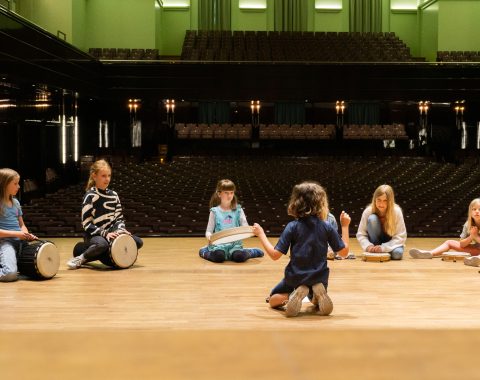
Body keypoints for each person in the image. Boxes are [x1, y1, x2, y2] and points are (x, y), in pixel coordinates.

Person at [252, 181, 350, 318]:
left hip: (295, 276)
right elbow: (344, 253)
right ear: (321, 204)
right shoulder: (326, 226)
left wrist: (261, 234)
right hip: (319, 277)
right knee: (315, 302)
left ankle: (292, 295)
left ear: (296, 203)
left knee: (272, 300)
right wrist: (345, 226)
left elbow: (275, 255)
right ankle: (315, 297)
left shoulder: (292, 227)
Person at [67, 159, 143, 269]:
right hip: (95, 235)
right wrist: (105, 233)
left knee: (137, 242)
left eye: (109, 176)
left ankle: (97, 253)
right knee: (102, 244)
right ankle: (81, 257)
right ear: (94, 176)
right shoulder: (90, 196)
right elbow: (87, 224)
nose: (107, 179)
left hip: (111, 233)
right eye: (103, 176)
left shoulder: (114, 195)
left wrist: (120, 230)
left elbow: (119, 219)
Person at [199, 179, 263, 263]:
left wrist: (252, 230)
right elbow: (208, 231)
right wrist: (209, 237)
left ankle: (251, 252)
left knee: (239, 257)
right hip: (219, 245)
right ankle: (204, 251)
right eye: (226, 193)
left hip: (235, 244)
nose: (229, 195)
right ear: (219, 194)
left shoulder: (239, 210)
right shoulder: (214, 211)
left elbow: (245, 227)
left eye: (231, 192)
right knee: (219, 257)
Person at [409, 198, 480, 266]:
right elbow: (462, 244)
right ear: (470, 212)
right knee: (449, 242)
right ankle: (429, 253)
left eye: (479, 209)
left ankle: (476, 260)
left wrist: (476, 237)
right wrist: (471, 237)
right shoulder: (468, 224)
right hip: (476, 250)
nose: (477, 211)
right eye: (474, 209)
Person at [0, 168, 37, 282]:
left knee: (38, 266)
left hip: (20, 242)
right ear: (4, 184)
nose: (19, 186)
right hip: (5, 242)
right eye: (15, 183)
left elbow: (22, 225)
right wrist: (17, 234)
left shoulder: (16, 202)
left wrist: (25, 234)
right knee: (10, 274)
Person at [356, 184, 407, 260]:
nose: (381, 204)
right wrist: (368, 246)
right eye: (378, 200)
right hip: (374, 243)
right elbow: (361, 234)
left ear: (390, 201)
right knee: (372, 218)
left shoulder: (396, 211)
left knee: (397, 254)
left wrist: (383, 248)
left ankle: (382, 251)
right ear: (374, 199)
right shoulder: (368, 211)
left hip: (391, 242)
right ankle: (378, 251)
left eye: (385, 201)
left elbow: (400, 236)